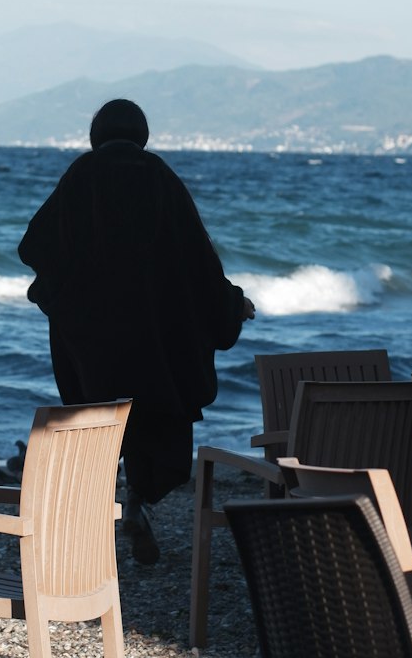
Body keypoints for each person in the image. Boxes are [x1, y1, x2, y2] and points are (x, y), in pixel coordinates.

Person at [18, 98, 254, 564]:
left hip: (91, 335)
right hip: (155, 336)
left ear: (96, 132)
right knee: (152, 416)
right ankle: (136, 504)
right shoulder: (159, 176)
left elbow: (35, 245)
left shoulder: (81, 174)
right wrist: (230, 303)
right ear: (142, 133)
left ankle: (85, 536)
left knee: (95, 420)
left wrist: (61, 292)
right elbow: (197, 260)